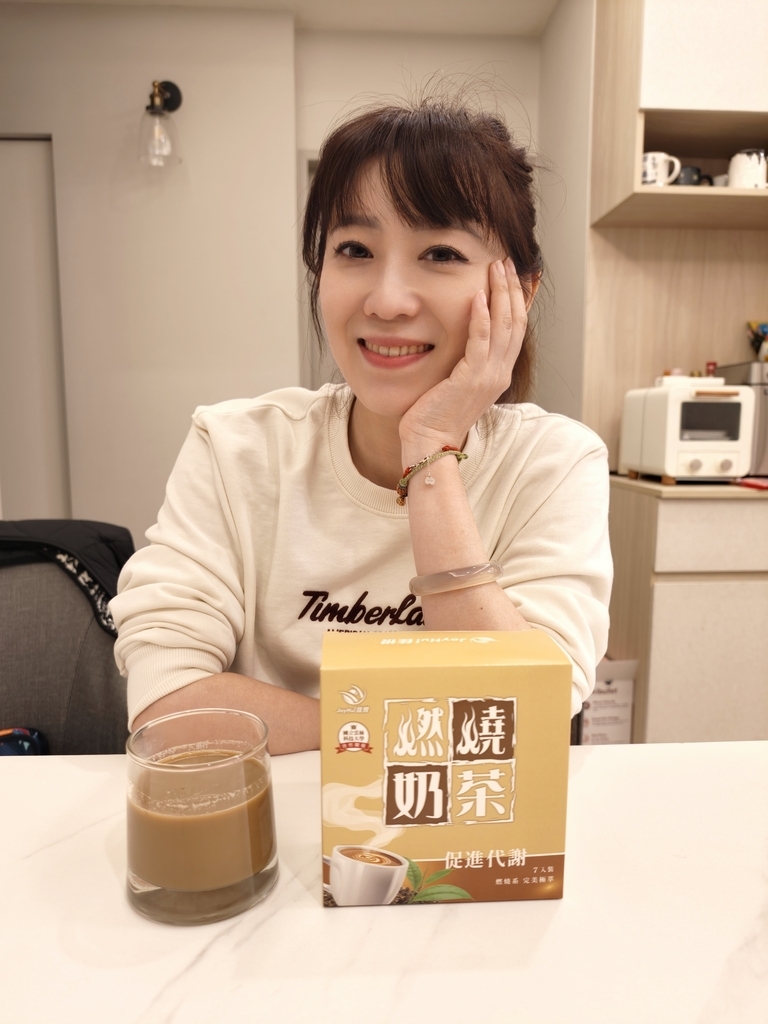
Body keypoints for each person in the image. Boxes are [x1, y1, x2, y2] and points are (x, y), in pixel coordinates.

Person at [111, 100, 612, 753]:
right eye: (354, 249)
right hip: (272, 819)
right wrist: (401, 736)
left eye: (440, 252)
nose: (387, 301)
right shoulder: (236, 449)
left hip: (459, 821)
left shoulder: (554, 465)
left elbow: (528, 714)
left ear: (519, 291)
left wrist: (430, 452)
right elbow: (166, 703)